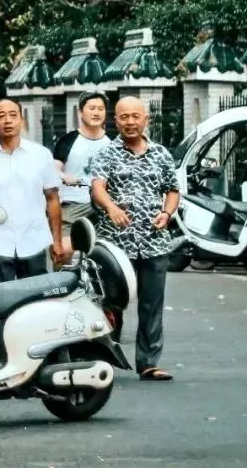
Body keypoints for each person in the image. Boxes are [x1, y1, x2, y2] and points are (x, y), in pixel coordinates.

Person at [89, 96, 180, 382]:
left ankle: (149, 363)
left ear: (145, 119)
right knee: (111, 303)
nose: (130, 122)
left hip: (154, 242)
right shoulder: (106, 153)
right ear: (116, 121)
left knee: (151, 304)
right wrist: (111, 207)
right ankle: (105, 361)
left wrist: (167, 213)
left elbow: (172, 189)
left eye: (135, 116)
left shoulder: (161, 154)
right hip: (116, 245)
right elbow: (97, 187)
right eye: (124, 117)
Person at [0, 97, 64, 283]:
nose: (7, 120)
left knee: (33, 299)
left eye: (13, 115)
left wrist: (57, 241)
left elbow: (52, 198)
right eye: (1, 116)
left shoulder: (41, 155)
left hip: (34, 241)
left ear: (21, 120)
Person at [53, 91, 111, 225]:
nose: (96, 113)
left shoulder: (112, 142)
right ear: (80, 112)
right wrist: (64, 176)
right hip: (73, 204)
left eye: (100, 109)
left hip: (103, 205)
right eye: (92, 108)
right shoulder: (68, 140)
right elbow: (54, 169)